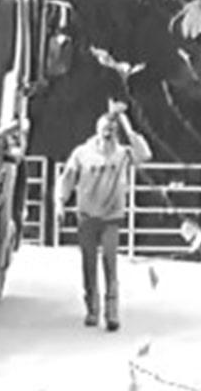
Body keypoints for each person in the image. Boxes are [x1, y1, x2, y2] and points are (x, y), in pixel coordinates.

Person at [55, 99, 152, 331]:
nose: (108, 135)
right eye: (104, 130)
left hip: (111, 218)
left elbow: (145, 154)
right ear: (97, 131)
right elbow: (66, 179)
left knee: (110, 263)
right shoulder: (82, 153)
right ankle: (92, 309)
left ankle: (112, 313)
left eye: (112, 131)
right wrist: (59, 203)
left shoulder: (122, 154)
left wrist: (127, 125)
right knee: (88, 265)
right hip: (87, 216)